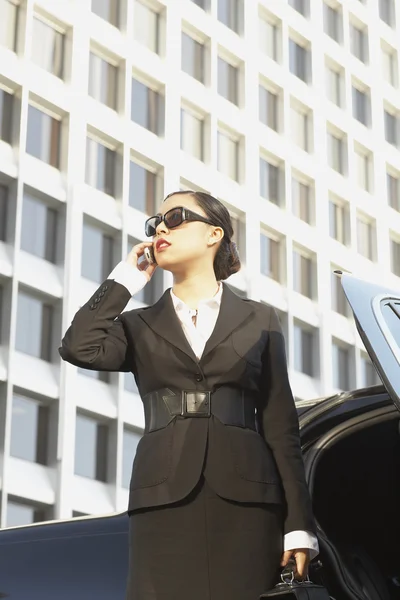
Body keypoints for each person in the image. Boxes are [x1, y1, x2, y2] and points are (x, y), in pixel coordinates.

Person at [59, 191, 319, 600]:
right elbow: (78, 347)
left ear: (214, 234)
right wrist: (126, 279)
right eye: (155, 223)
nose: (161, 227)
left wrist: (299, 525)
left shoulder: (260, 319)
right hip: (163, 496)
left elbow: (281, 426)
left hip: (249, 500)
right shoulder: (138, 325)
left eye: (175, 217)